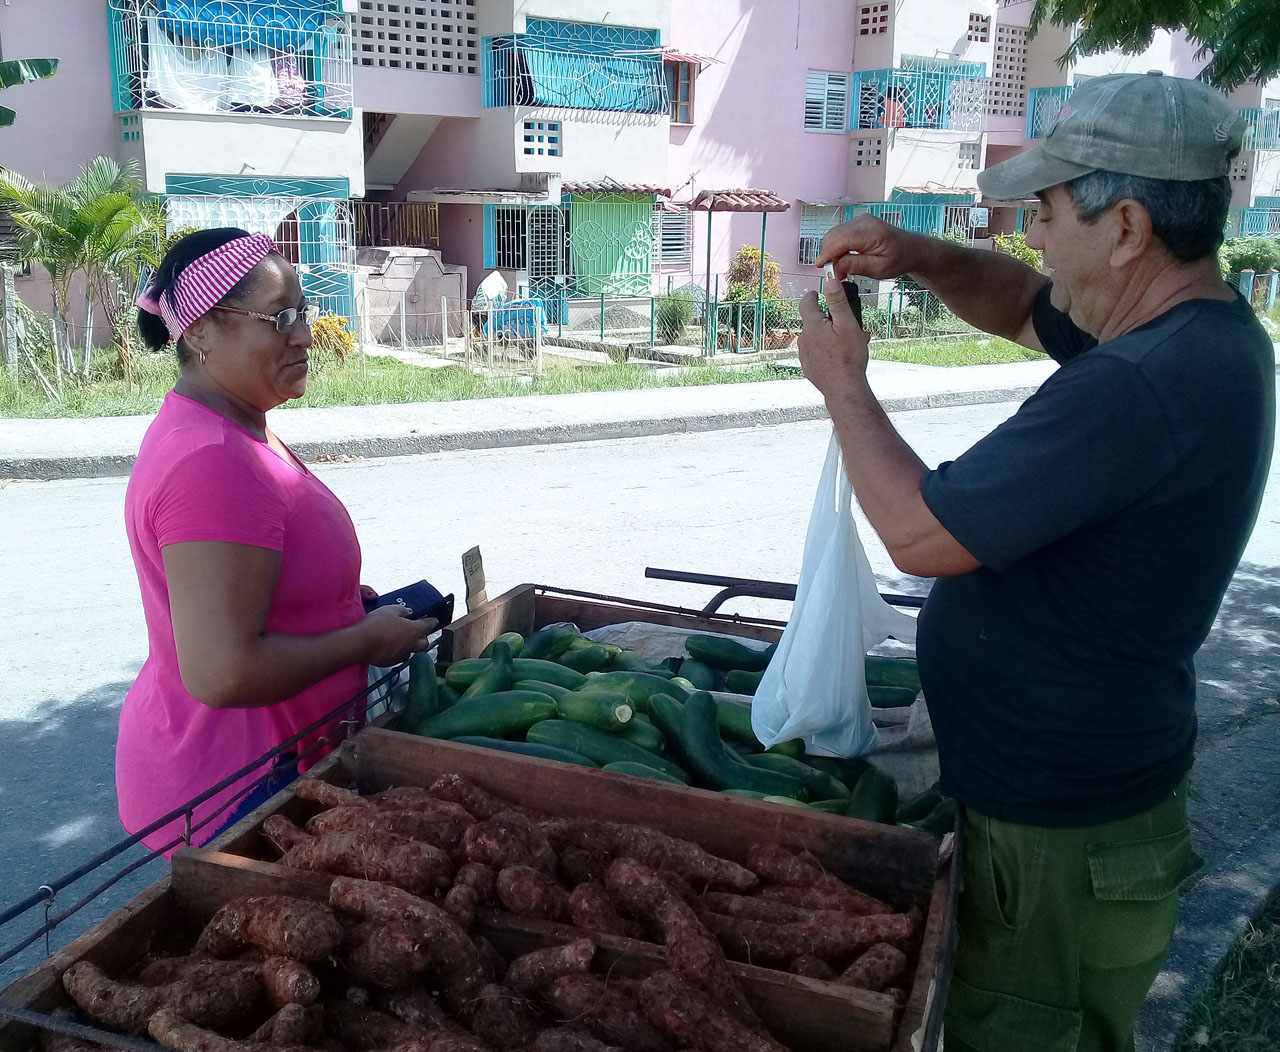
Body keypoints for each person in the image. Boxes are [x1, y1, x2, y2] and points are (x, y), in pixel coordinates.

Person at [797, 72, 1274, 1052]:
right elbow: (1024, 305)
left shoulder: (1139, 386)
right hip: (1073, 804)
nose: (1033, 234)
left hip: (1057, 833)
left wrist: (842, 384)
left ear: (1127, 225)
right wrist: (918, 256)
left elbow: (920, 534)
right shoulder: (1198, 331)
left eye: (1048, 210)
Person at [119, 228, 435, 853]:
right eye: (277, 317)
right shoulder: (210, 461)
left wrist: (337, 604)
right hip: (244, 786)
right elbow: (224, 672)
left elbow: (257, 576)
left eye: (303, 311)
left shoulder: (231, 428)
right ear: (202, 332)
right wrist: (362, 642)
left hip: (263, 765)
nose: (303, 333)